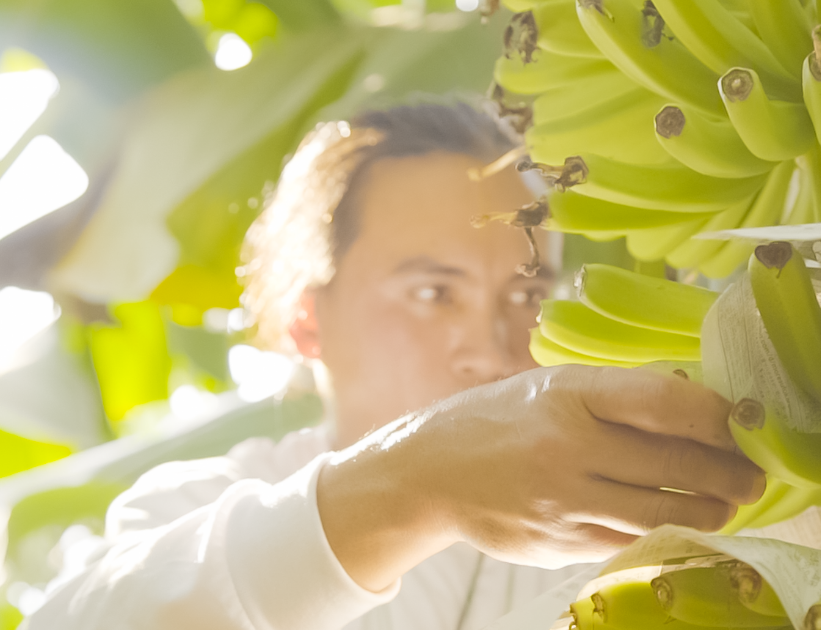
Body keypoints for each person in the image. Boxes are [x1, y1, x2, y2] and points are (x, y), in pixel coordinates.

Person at [23, 101, 767, 629]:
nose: (491, 347)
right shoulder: (193, 510)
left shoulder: (640, 531)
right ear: (307, 318)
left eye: (525, 294)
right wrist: (416, 483)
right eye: (433, 293)